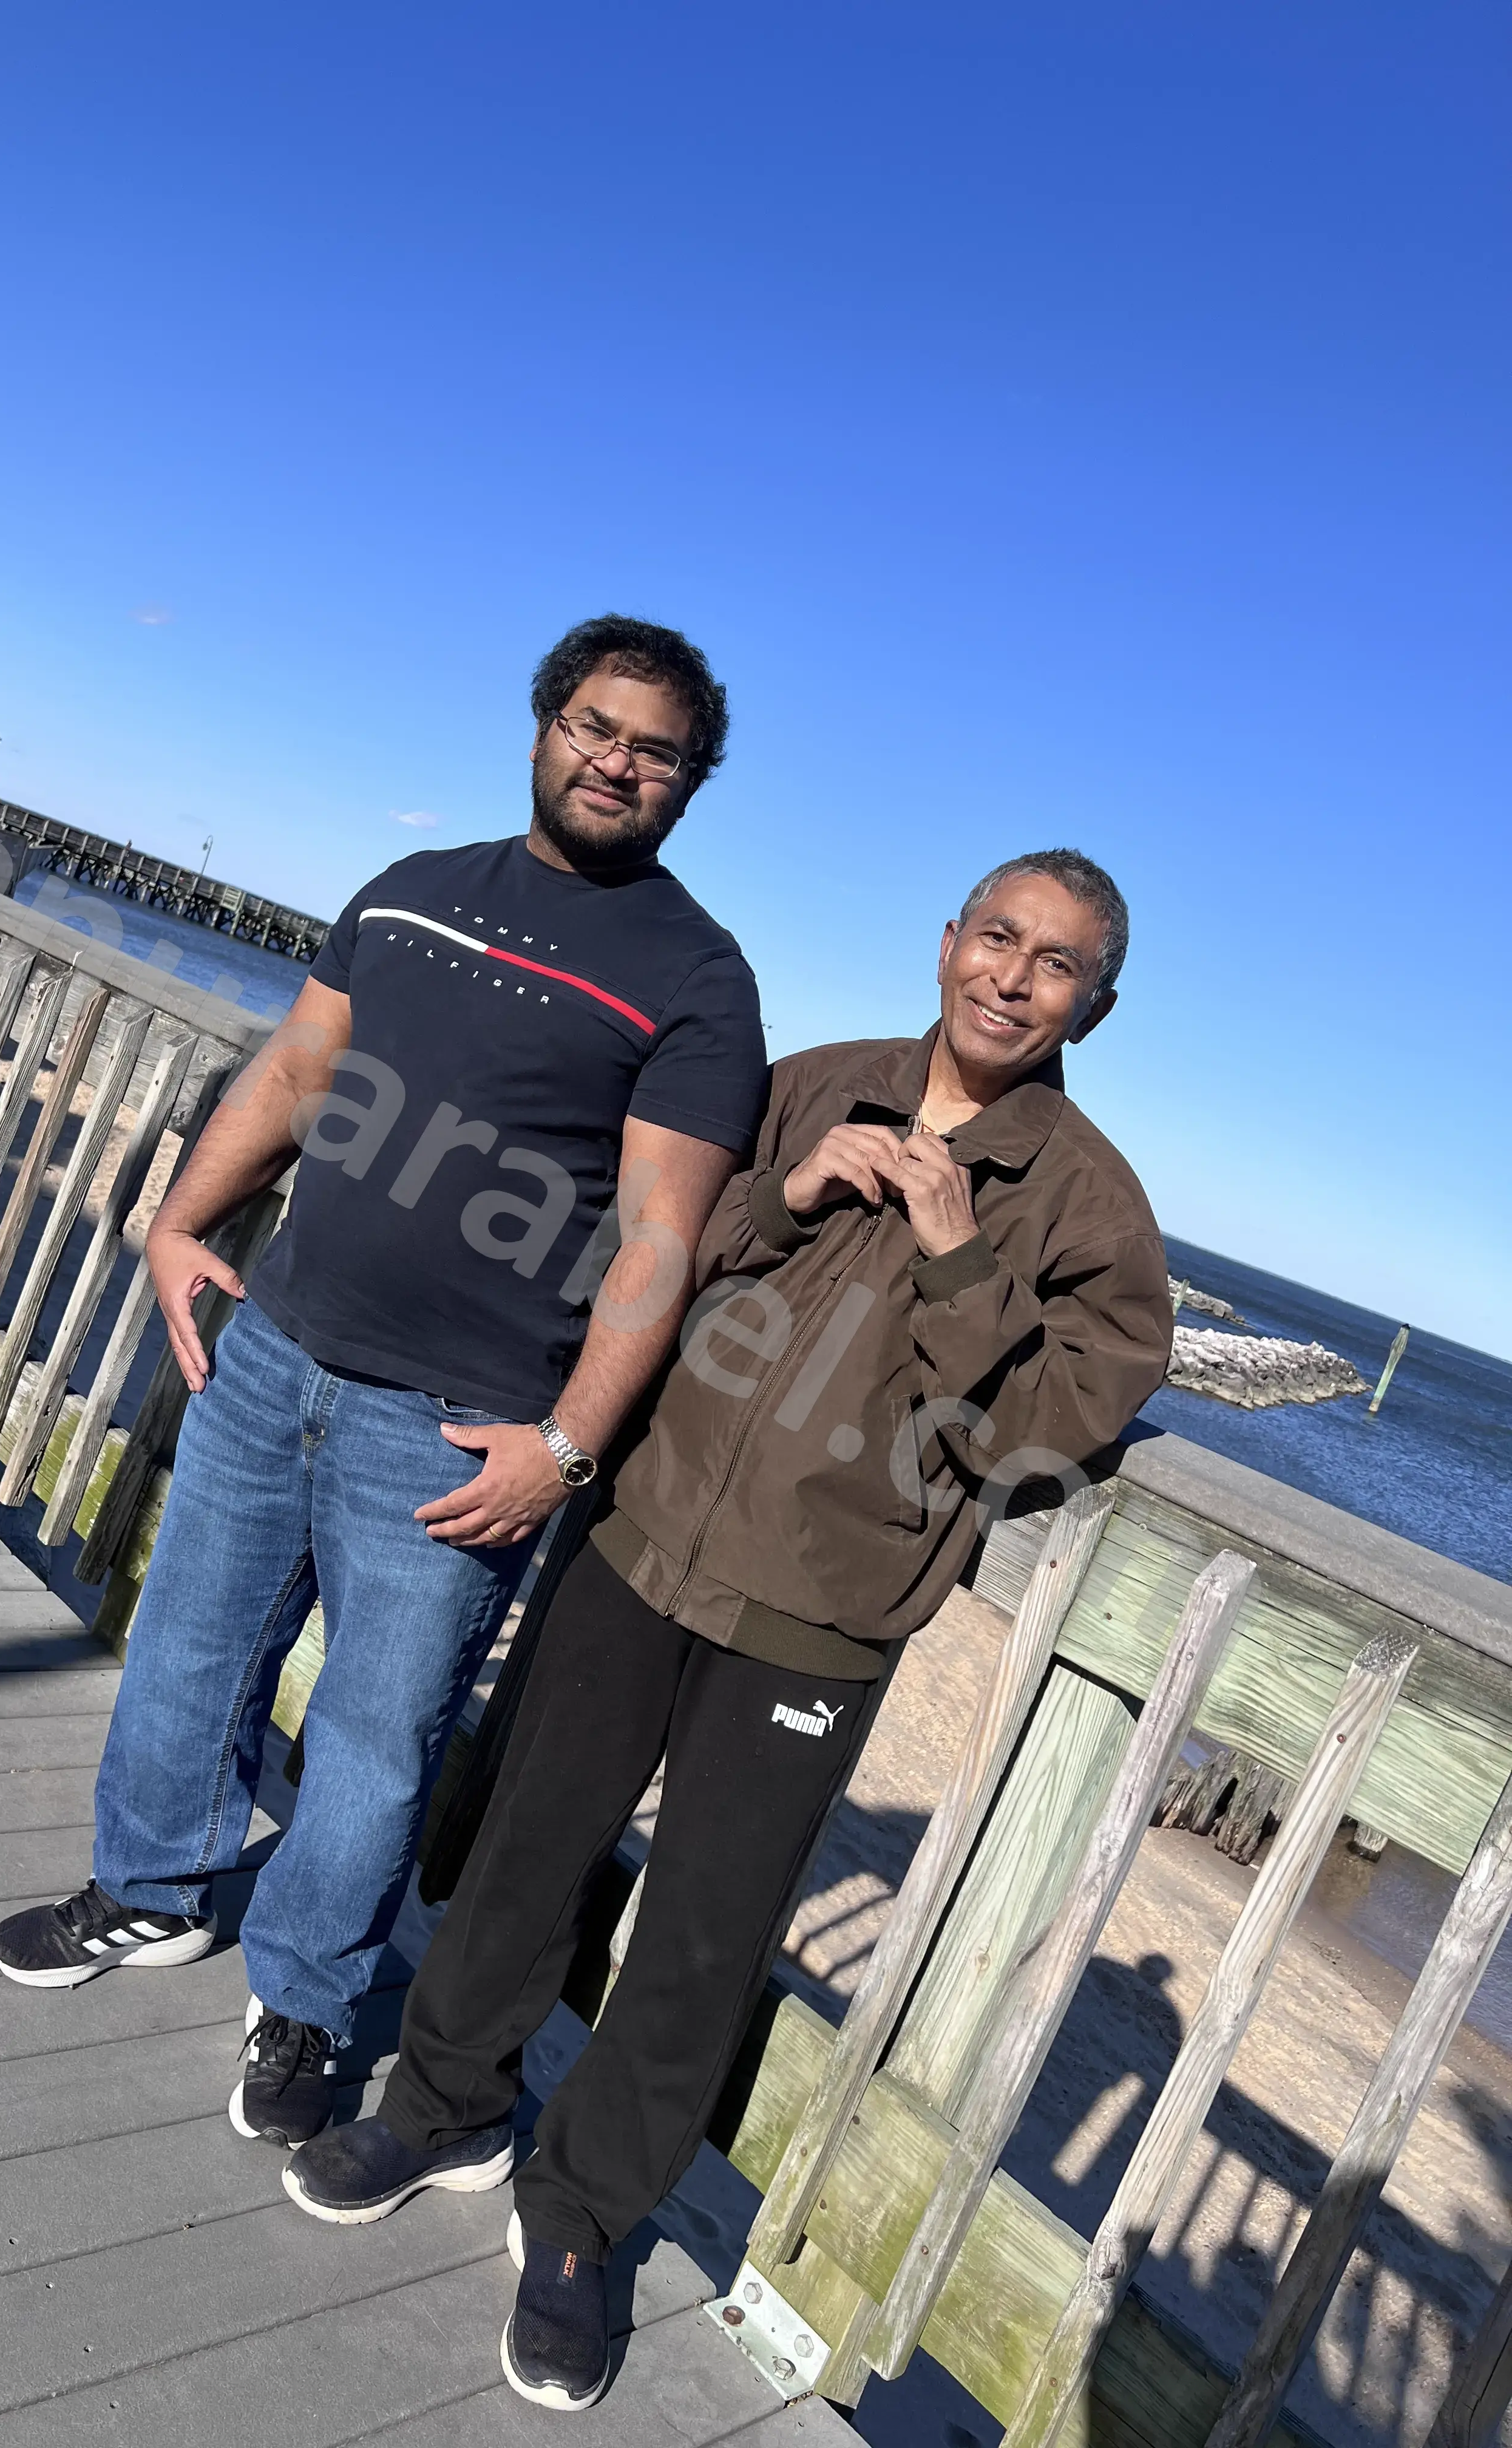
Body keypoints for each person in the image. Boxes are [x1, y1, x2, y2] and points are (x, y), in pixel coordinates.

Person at [281, 849, 1174, 2412]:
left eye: (1058, 965)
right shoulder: (812, 1083)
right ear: (949, 937)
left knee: (701, 1931)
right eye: (998, 937)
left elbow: (1039, 1441)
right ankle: (441, 2104)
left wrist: (961, 1256)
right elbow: (659, 1245)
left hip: (823, 1616)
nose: (1014, 977)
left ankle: (578, 2222)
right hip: (639, 1533)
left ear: (1098, 1006)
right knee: (527, 1840)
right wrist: (790, 1190)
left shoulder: (1097, 1212)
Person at [0, 616, 767, 2158]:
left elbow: (662, 1243)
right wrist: (177, 1218)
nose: (616, 760)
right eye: (595, 727)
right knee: (188, 1647)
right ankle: (148, 1891)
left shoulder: (699, 978)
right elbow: (289, 1078)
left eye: (654, 750)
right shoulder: (411, 893)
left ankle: (309, 1997)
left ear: (689, 783)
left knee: (374, 1733)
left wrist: (565, 1446)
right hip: (273, 1347)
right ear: (546, 725)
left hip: (454, 1422)